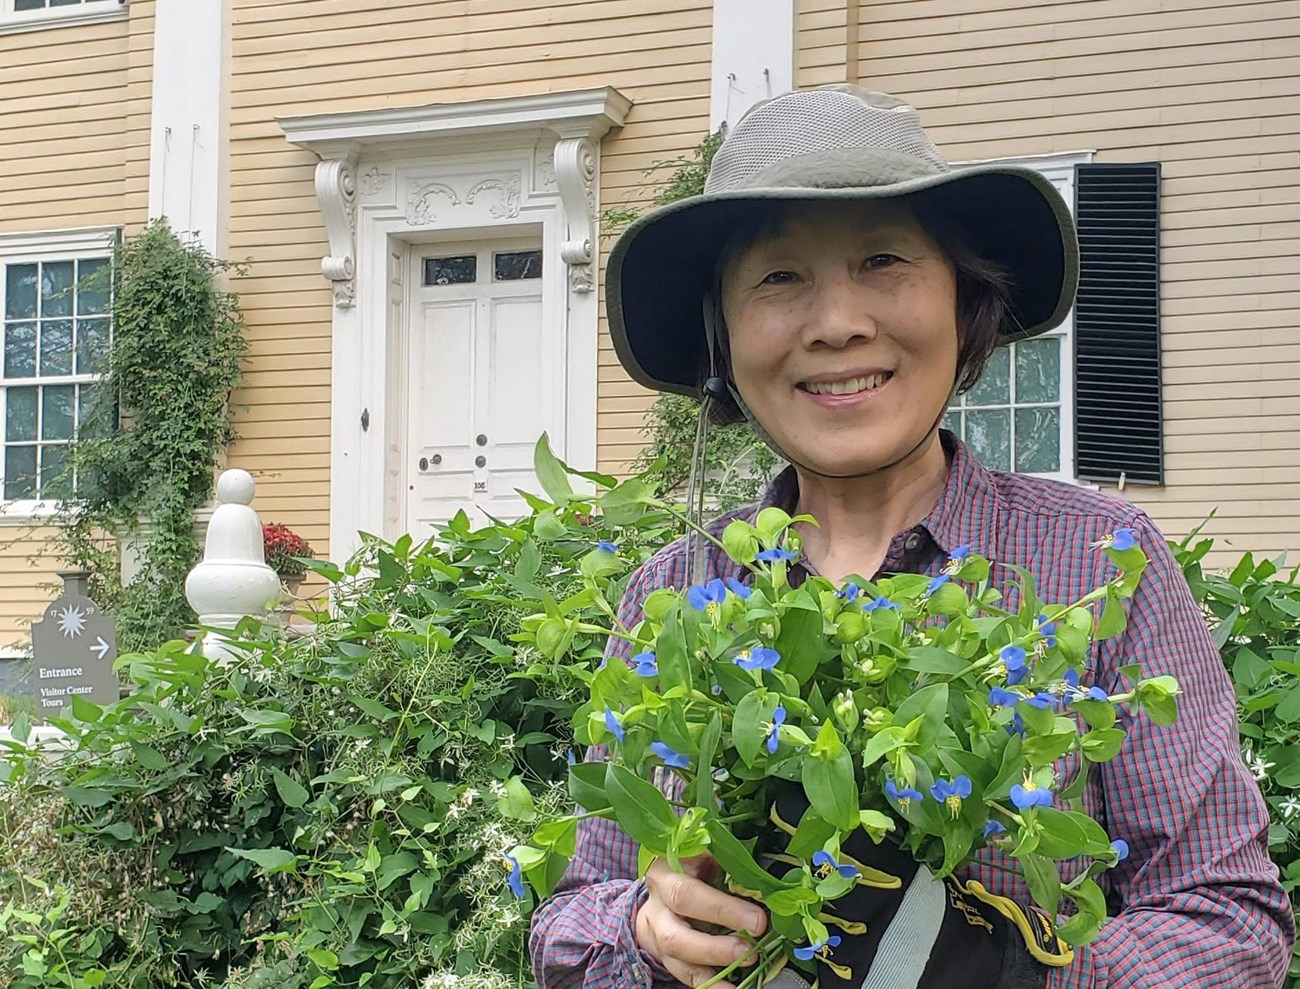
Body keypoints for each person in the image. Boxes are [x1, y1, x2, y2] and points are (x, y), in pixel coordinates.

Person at [529, 86, 1294, 989]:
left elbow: (1231, 922)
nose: (839, 322)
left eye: (884, 259)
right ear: (720, 334)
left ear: (964, 301)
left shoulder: (1099, 565)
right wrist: (647, 932)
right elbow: (568, 922)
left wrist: (1021, 975)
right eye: (778, 276)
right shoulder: (679, 589)